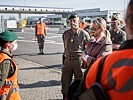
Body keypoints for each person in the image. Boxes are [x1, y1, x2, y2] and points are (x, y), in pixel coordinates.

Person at [85, 0, 133, 99]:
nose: (112, 23)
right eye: (111, 22)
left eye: (114, 22)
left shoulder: (100, 66)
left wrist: (113, 46)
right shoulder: (108, 32)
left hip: (117, 59)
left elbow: (122, 46)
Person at [61, 14, 91, 100]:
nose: (72, 23)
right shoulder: (66, 33)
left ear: (78, 22)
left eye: (74, 21)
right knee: (65, 81)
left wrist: (85, 62)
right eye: (70, 21)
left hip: (78, 61)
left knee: (79, 82)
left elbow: (88, 49)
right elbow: (65, 47)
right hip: (67, 61)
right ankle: (65, 97)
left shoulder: (84, 34)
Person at [0, 31, 21, 100]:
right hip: (10, 96)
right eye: (14, 42)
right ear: (8, 44)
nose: (15, 44)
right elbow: (1, 80)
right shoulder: (5, 60)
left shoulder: (2, 56)